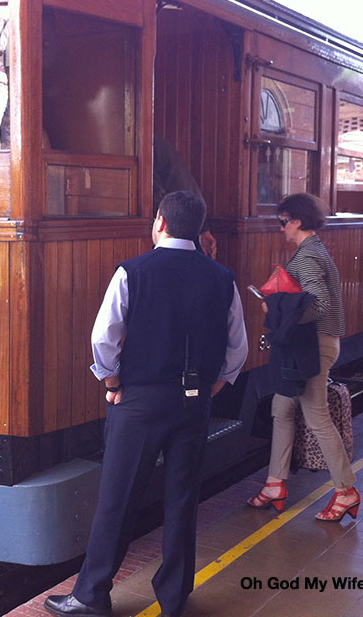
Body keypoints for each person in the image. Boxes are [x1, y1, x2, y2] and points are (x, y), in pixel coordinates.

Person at [44, 190, 248, 617]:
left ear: (159, 223)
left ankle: (92, 595)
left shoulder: (133, 272)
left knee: (118, 497)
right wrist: (217, 383)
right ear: (197, 229)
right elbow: (237, 347)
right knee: (181, 498)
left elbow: (105, 336)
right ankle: (173, 598)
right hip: (193, 404)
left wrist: (112, 379)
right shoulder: (222, 278)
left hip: (139, 401)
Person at [247, 193, 359, 522]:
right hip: (308, 345)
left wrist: (275, 310)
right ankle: (274, 483)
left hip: (314, 346)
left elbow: (319, 304)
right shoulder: (314, 250)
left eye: (283, 222)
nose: (281, 228)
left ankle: (346, 490)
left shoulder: (308, 257)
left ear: (296, 221)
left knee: (317, 417)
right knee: (281, 408)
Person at [153, 137, 217, 258]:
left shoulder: (153, 146)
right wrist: (203, 228)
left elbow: (184, 185)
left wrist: (203, 229)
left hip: (168, 230)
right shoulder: (159, 145)